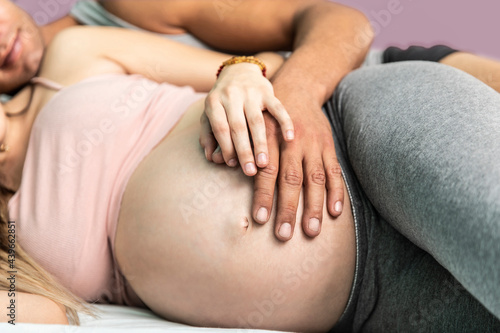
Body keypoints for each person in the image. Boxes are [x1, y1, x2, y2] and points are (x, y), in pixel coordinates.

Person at [0, 1, 499, 331]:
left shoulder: (73, 55)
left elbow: (251, 63)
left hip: (358, 137)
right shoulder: (9, 242)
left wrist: (238, 74)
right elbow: (35, 318)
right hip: (370, 304)